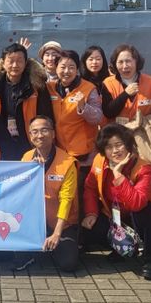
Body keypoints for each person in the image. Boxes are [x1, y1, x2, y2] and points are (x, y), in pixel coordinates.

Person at [81, 124, 151, 280]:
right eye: (109, 147)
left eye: (119, 144)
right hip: (116, 216)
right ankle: (121, 248)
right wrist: (91, 213)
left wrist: (118, 175)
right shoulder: (99, 161)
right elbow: (90, 188)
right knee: (91, 228)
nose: (115, 151)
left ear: (128, 144)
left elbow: (137, 203)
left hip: (146, 219)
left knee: (143, 211)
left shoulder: (144, 168)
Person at [16, 116, 79, 272]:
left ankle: (55, 245)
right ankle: (41, 250)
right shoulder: (26, 158)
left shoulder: (67, 162)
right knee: (13, 257)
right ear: (30, 135)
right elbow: (21, 193)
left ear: (53, 134)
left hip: (61, 224)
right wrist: (31, 171)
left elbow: (66, 200)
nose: (40, 135)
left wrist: (57, 233)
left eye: (44, 130)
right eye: (35, 132)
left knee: (68, 264)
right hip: (34, 222)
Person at [46, 50, 103, 211]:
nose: (67, 71)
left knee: (82, 195)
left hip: (83, 155)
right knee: (63, 196)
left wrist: (83, 107)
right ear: (56, 68)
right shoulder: (50, 88)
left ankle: (85, 225)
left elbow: (98, 117)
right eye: (63, 67)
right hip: (59, 153)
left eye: (71, 67)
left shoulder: (88, 88)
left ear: (77, 69)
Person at [0, 43, 53, 160]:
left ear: (25, 63)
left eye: (19, 61)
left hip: (29, 139)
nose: (15, 65)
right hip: (1, 140)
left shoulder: (36, 86)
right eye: (10, 61)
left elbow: (46, 115)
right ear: (3, 63)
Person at [101, 44, 151, 121]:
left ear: (136, 62)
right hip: (117, 128)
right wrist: (125, 94)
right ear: (115, 64)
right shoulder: (108, 84)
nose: (125, 66)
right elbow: (108, 113)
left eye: (128, 61)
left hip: (144, 127)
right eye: (120, 62)